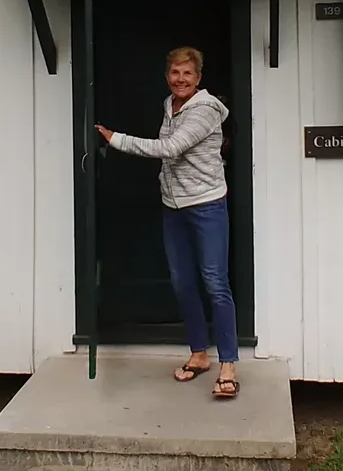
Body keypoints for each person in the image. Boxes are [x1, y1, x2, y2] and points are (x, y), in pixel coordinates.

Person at [96, 46, 239, 399]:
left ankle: (229, 365)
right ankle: (199, 354)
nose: (181, 79)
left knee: (215, 284)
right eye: (175, 72)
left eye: (187, 73)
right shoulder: (169, 105)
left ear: (198, 78)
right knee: (182, 283)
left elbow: (170, 148)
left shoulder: (205, 109)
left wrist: (116, 139)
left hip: (206, 206)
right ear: (167, 76)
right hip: (173, 207)